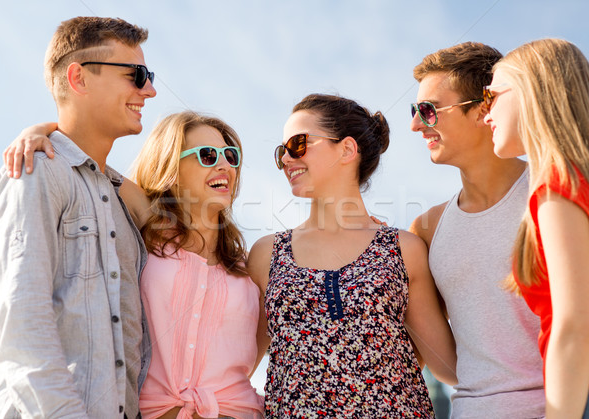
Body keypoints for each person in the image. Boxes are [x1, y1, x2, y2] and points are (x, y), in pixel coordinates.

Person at [248, 93, 457, 418]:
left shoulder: (403, 249)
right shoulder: (266, 254)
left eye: (298, 144)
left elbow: (447, 365)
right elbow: (237, 366)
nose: (286, 160)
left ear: (346, 149)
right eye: (281, 153)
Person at [0, 16, 157, 418]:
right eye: (136, 74)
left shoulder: (122, 198)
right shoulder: (36, 169)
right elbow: (21, 324)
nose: (149, 90)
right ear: (78, 78)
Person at [409, 42, 545, 418]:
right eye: (415, 111)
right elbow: (438, 356)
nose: (416, 124)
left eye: (428, 110)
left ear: (484, 106)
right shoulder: (427, 228)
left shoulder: (555, 189)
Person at [126, 111, 264, 418]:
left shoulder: (252, 267)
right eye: (207, 155)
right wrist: (42, 133)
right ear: (171, 167)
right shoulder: (146, 232)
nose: (225, 165)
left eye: (231, 156)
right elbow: (88, 163)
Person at [484, 38, 589, 419]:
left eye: (492, 96)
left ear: (530, 91)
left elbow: (574, 326)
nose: (486, 115)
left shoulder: (558, 186)